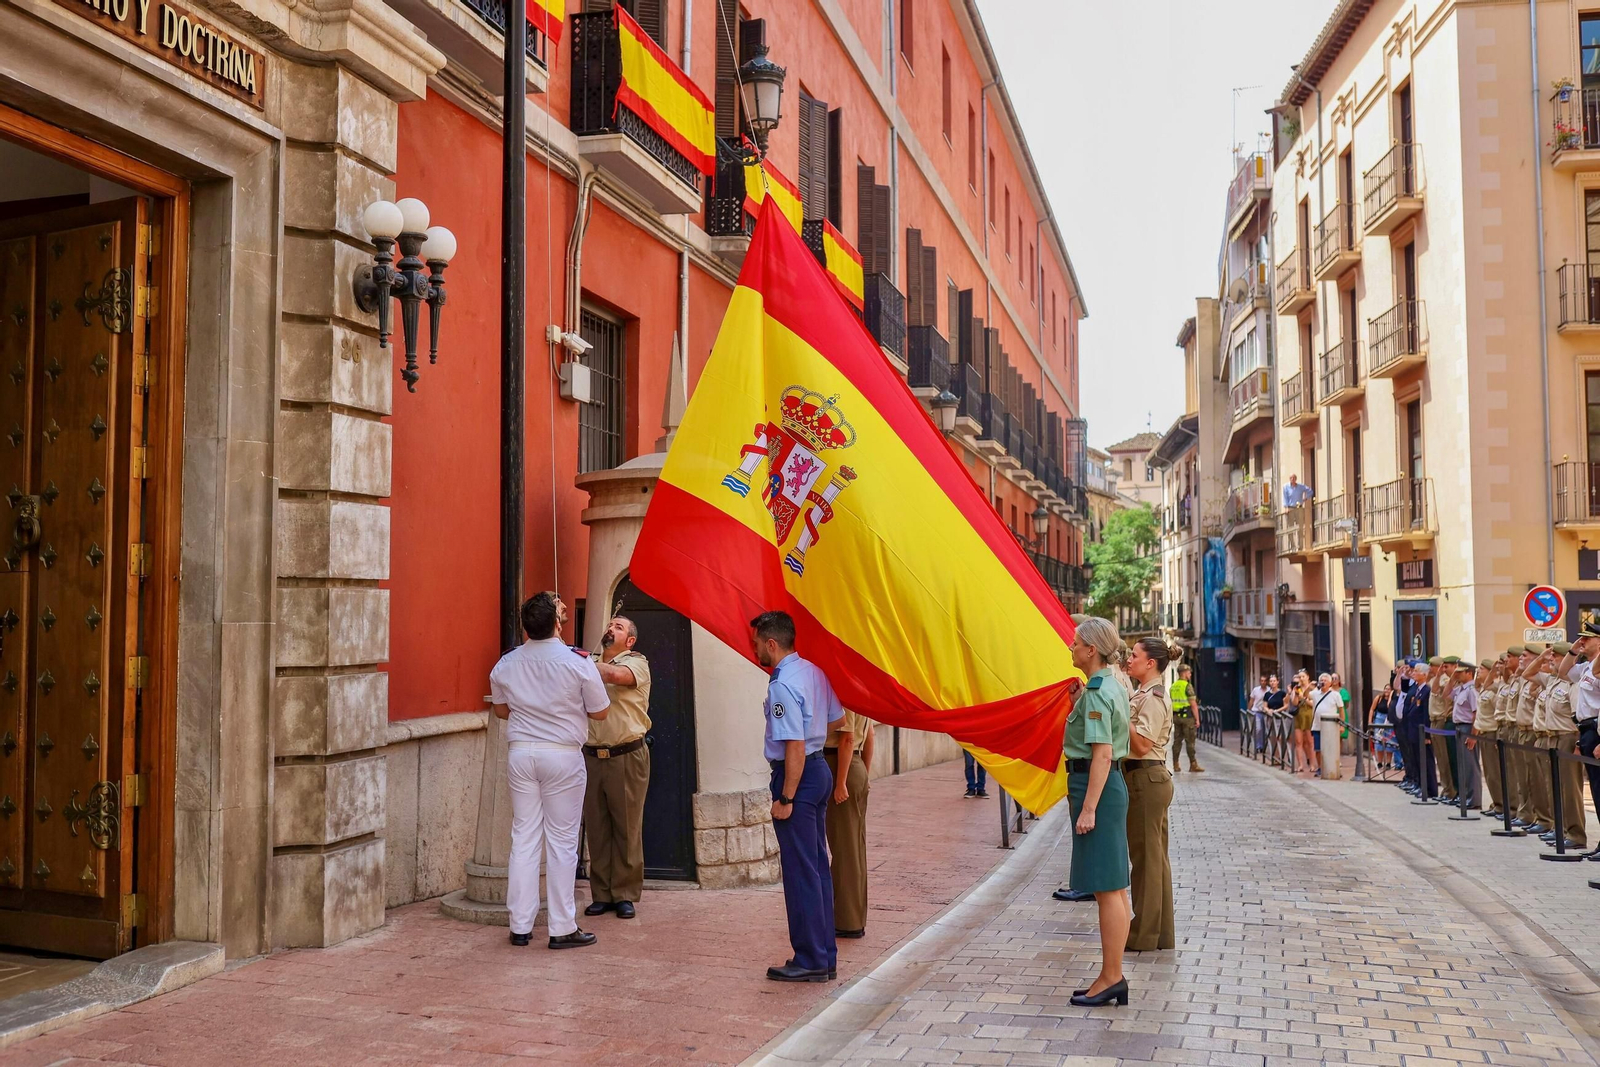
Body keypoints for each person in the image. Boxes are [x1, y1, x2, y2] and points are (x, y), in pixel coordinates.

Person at [490, 592, 610, 949]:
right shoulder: (578, 662)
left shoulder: (507, 663)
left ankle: (520, 925)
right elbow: (600, 711)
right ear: (557, 624)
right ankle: (561, 926)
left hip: (522, 751)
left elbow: (500, 711)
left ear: (525, 627)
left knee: (524, 837)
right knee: (562, 841)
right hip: (562, 753)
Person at [750, 610, 844, 982]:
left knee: (802, 871)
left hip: (799, 778)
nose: (755, 648)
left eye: (757, 643)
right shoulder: (814, 672)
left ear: (772, 644)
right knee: (818, 867)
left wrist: (785, 798)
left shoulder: (783, 685)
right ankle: (825, 954)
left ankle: (809, 959)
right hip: (820, 770)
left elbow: (793, 744)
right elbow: (836, 719)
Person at [1064, 617, 1133, 1008]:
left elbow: (1102, 754)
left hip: (1098, 790)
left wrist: (1088, 808)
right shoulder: (1112, 684)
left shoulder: (1096, 693)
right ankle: (1112, 975)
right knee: (1114, 887)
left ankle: (1111, 976)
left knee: (1107, 889)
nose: (1070, 648)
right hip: (1109, 788)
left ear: (1091, 650)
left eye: (1075, 643)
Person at [581, 615, 653, 921]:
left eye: (618, 627)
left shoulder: (636, 662)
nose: (610, 628)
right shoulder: (590, 660)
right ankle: (601, 894)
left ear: (630, 640)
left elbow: (616, 676)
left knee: (626, 827)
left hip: (626, 755)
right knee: (597, 828)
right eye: (609, 624)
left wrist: (576, 663)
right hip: (590, 756)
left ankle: (624, 894)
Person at [1124, 637, 1175, 953]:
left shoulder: (1153, 697)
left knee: (1146, 861)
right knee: (1155, 860)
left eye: (1134, 655)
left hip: (1146, 777)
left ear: (1150, 663)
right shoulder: (1143, 694)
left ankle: (1143, 934)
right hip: (1147, 778)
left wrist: (1120, 710)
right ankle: (1160, 934)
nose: (1129, 659)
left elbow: (1142, 744)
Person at [825, 710, 874, 939]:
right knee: (855, 846)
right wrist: (865, 772)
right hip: (855, 764)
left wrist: (841, 783)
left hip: (839, 764)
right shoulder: (860, 693)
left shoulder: (845, 697)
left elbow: (847, 739)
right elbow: (870, 734)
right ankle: (853, 917)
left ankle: (847, 921)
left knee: (845, 848)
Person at [1444, 657, 1481, 809]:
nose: (1457, 675)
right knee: (1462, 765)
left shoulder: (1472, 691)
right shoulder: (1461, 688)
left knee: (1471, 766)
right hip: (1459, 728)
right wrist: (1452, 678)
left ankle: (1474, 800)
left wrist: (1473, 735)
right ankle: (1465, 797)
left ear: (1469, 673)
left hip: (1467, 728)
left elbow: (1476, 713)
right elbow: (1445, 694)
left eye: (1460, 672)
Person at [1472, 658, 1503, 818]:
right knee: (1489, 773)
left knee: (1495, 772)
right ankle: (1496, 802)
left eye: (1482, 670)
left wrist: (1498, 736)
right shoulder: (1485, 690)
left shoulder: (1495, 690)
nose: (1478, 672)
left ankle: (1501, 804)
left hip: (1492, 733)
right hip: (1484, 733)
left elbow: (1498, 715)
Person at [1428, 657, 1457, 802]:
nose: (1431, 668)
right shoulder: (1436, 679)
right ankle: (1446, 789)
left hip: (1441, 720)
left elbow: (1447, 699)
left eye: (1433, 666)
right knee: (1440, 758)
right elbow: (1433, 691)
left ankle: (1450, 790)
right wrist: (1436, 675)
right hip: (1434, 721)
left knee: (1445, 759)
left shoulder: (1446, 681)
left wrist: (1440, 675)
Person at [1170, 665, 1203, 772]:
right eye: (1189, 672)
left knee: (1177, 741)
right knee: (1190, 741)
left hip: (1176, 717)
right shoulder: (1187, 686)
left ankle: (1175, 764)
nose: (1190, 674)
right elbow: (1193, 704)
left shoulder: (1173, 686)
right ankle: (1193, 764)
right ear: (1184, 673)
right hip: (1187, 718)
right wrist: (1197, 719)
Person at [1313, 673, 1344, 780]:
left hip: (1331, 727)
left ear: (1330, 683)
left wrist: (1342, 725)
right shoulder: (1315, 694)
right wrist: (1311, 685)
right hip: (1317, 725)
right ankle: (1320, 767)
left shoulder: (1336, 695)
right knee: (1318, 749)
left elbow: (1341, 710)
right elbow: (1305, 694)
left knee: (1331, 748)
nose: (1323, 682)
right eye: (1321, 680)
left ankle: (1333, 768)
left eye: (1325, 680)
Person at [1292, 671, 1317, 775]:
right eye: (1300, 677)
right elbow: (1294, 703)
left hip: (1309, 715)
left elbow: (1313, 704)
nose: (1301, 679)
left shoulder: (1313, 689)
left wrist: (1304, 699)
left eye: (1303, 676)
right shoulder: (1297, 688)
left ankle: (1312, 764)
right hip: (1299, 716)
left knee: (1310, 741)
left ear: (1308, 677)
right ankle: (1300, 765)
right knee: (1299, 741)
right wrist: (1296, 695)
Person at [1248, 675, 1267, 754]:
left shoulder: (1269, 690)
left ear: (1266, 682)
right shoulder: (1255, 690)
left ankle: (1263, 746)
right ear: (1259, 681)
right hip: (1256, 711)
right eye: (1261, 681)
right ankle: (1258, 746)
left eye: (1264, 681)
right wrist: (1248, 710)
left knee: (1265, 730)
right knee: (1258, 729)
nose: (1263, 682)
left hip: (1265, 712)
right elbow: (1251, 700)